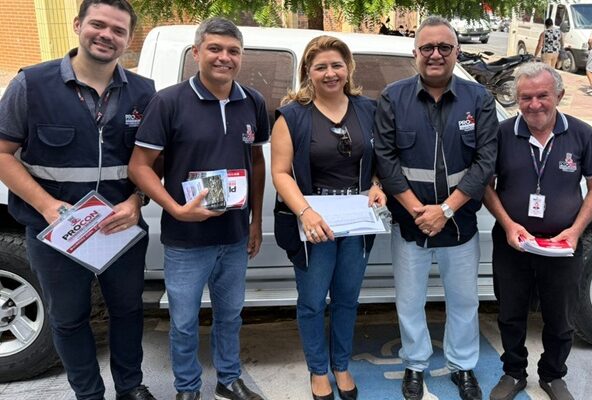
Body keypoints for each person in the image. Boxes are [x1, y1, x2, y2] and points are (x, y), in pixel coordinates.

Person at [0, 1, 156, 399]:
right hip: (56, 232)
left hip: (120, 229)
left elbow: (154, 161)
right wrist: (46, 206)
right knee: (68, 319)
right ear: (77, 25)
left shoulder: (143, 92)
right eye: (98, 25)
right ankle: (88, 394)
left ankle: (130, 388)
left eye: (118, 30)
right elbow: (2, 153)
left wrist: (137, 200)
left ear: (128, 40)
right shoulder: (31, 85)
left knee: (128, 311)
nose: (107, 35)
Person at [127, 17, 269, 400]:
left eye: (233, 51)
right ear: (196, 53)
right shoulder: (169, 102)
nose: (224, 58)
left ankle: (228, 379)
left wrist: (255, 221)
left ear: (242, 56)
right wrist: (175, 208)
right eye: (215, 49)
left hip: (234, 237)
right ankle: (187, 388)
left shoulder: (253, 101)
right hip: (186, 240)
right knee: (185, 321)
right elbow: (139, 166)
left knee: (230, 315)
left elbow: (256, 162)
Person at [373, 15, 498, 400]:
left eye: (444, 47)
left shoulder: (479, 99)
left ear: (457, 52)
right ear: (415, 53)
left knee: (464, 301)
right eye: (427, 47)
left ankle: (462, 366)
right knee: (409, 301)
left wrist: (444, 210)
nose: (435, 54)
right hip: (411, 225)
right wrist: (419, 212)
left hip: (458, 225)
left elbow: (485, 161)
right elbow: (386, 160)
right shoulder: (393, 98)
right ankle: (414, 364)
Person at [271, 35, 386, 400]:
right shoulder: (292, 116)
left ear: (348, 68)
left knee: (347, 298)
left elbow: (380, 159)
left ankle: (341, 364)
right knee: (312, 301)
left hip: (357, 221)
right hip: (314, 223)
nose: (330, 73)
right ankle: (318, 370)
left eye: (337, 65)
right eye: (321, 67)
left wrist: (377, 184)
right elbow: (280, 173)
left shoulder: (368, 110)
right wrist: (305, 213)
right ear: (308, 71)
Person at [484, 62, 592, 400]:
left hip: (563, 245)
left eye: (542, 96)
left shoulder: (581, 134)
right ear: (517, 99)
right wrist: (508, 224)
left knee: (560, 316)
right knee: (510, 312)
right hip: (513, 243)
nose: (534, 104)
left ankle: (552, 375)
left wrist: (576, 230)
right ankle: (513, 373)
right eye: (526, 97)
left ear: (559, 96)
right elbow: (485, 186)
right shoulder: (502, 134)